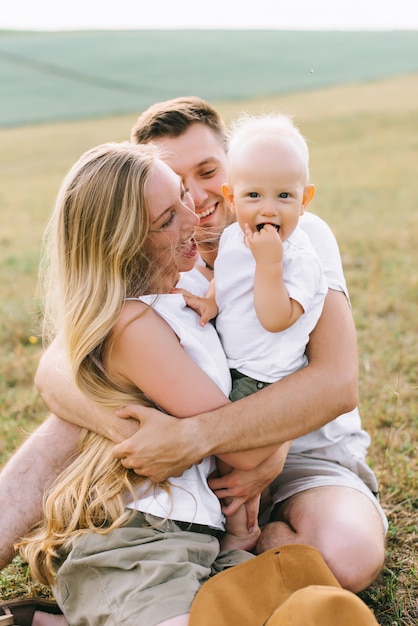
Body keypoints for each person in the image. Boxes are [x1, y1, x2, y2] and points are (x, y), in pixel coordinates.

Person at [0, 97, 387, 595]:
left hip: (304, 456)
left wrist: (211, 439)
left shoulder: (296, 236)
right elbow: (56, 369)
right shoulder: (154, 247)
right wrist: (137, 432)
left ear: (231, 166)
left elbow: (337, 383)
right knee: (66, 423)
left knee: (347, 558)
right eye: (179, 185)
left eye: (208, 171)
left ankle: (227, 569)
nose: (198, 199)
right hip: (184, 464)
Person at [15, 140, 279, 625]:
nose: (192, 214)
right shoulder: (134, 328)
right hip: (136, 544)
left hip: (197, 537)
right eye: (166, 219)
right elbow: (240, 449)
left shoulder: (185, 292)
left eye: (183, 193)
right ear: (123, 244)